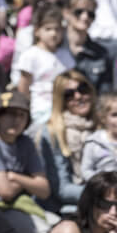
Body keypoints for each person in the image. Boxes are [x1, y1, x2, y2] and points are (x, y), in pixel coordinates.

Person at [0, 90, 56, 233]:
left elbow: (44, 189)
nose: (16, 120)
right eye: (10, 114)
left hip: (23, 205)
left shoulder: (26, 143)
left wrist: (15, 177)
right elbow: (5, 192)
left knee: (62, 226)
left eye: (21, 115)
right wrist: (28, 183)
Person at [39, 70, 98, 214]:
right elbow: (62, 189)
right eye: (69, 95)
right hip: (66, 208)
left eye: (82, 89)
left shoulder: (102, 125)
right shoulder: (53, 132)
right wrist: (105, 193)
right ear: (61, 101)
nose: (78, 97)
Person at [15, 3, 72, 129]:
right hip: (39, 110)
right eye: (48, 29)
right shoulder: (30, 55)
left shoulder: (65, 55)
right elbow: (23, 88)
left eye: (57, 29)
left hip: (63, 108)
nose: (53, 33)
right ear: (37, 31)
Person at [61, 0, 113, 94]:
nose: (85, 17)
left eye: (90, 14)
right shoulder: (55, 47)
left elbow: (105, 93)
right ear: (66, 13)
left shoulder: (101, 53)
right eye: (79, 12)